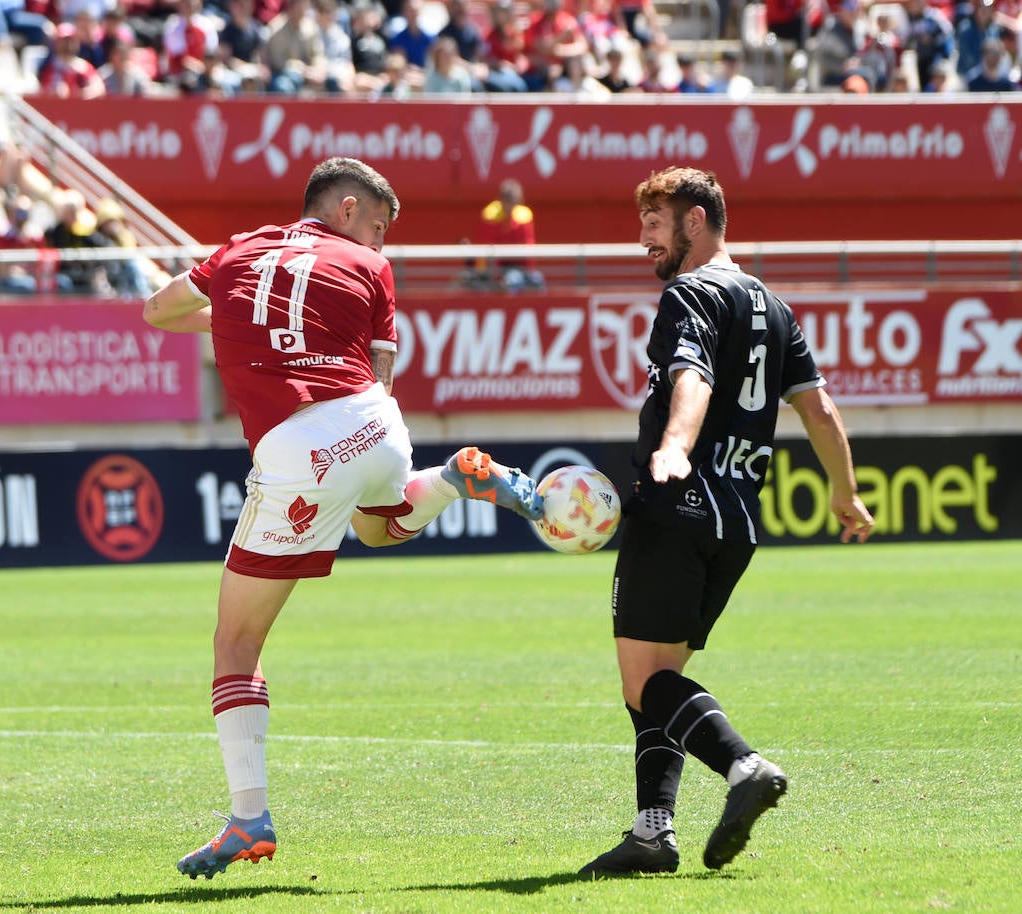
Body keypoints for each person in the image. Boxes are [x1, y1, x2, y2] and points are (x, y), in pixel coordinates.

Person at [140, 157, 544, 880]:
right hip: (373, 422)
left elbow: (158, 311)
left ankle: (248, 819)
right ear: (348, 207)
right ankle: (451, 481)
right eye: (380, 227)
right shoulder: (367, 265)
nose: (381, 244)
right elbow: (382, 374)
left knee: (235, 642)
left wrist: (235, 316)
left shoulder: (238, 247)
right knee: (377, 526)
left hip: (298, 443)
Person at [579, 166, 874, 877]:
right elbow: (819, 409)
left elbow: (693, 377)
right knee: (664, 677)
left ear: (696, 223)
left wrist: (675, 447)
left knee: (644, 683)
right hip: (737, 519)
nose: (643, 239)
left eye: (656, 223)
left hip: (678, 504)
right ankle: (653, 833)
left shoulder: (692, 293)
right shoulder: (774, 306)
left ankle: (744, 768)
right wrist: (846, 494)